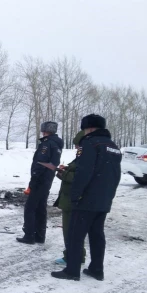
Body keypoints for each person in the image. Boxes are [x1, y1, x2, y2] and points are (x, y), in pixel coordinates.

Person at [52, 114, 121, 281]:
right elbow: (115, 175)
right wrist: (109, 196)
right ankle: (97, 269)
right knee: (97, 235)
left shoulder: (89, 144)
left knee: (75, 235)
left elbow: (83, 173)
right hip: (103, 199)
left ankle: (72, 271)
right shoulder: (112, 146)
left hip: (87, 199)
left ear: (89, 128)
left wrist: (76, 196)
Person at [17, 121, 64, 244]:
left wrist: (34, 179)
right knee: (41, 207)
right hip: (48, 179)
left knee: (30, 208)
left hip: (40, 179)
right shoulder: (57, 144)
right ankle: (40, 235)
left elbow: (41, 163)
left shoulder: (47, 144)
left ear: (45, 130)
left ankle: (29, 235)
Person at [53, 130, 87, 266]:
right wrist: (66, 169)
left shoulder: (86, 157)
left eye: (78, 146)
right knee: (71, 231)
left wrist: (64, 173)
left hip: (73, 200)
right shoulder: (81, 157)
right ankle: (74, 255)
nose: (76, 148)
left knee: (71, 231)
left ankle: (73, 258)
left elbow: (80, 177)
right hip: (70, 198)